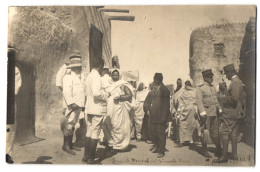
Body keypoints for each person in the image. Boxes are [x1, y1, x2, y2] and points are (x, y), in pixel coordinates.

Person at [213, 64, 244, 163]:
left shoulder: (234, 83)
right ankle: (234, 155)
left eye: (226, 73)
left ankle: (224, 156)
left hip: (230, 113)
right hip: (235, 112)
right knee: (233, 133)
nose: (226, 76)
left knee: (224, 132)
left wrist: (223, 99)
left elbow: (234, 99)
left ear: (231, 72)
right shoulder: (238, 82)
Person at [82, 59, 109, 164]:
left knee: (89, 132)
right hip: (97, 108)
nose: (103, 69)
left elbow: (87, 92)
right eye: (102, 67)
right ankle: (91, 159)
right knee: (95, 133)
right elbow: (97, 93)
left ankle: (86, 156)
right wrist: (106, 95)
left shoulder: (89, 76)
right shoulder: (97, 76)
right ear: (101, 65)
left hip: (89, 108)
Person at [60, 54, 85, 155]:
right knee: (69, 125)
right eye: (78, 67)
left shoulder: (78, 78)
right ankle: (66, 146)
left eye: (80, 67)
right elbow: (66, 92)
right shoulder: (68, 77)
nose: (80, 68)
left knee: (73, 125)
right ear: (74, 67)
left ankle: (70, 144)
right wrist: (71, 104)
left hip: (78, 105)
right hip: (72, 106)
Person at [103, 69, 134, 151]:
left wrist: (120, 97)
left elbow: (129, 95)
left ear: (119, 76)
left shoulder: (122, 84)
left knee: (117, 126)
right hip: (109, 108)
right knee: (108, 124)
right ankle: (111, 143)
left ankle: (119, 145)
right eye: (114, 75)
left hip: (118, 109)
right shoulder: (109, 84)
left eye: (116, 75)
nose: (115, 77)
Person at [196, 69, 222, 158]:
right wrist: (202, 113)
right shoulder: (200, 88)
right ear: (205, 78)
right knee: (204, 132)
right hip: (206, 114)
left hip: (214, 113)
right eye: (210, 77)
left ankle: (219, 149)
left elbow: (216, 100)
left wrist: (219, 109)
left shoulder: (213, 87)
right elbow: (199, 102)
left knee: (215, 132)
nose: (212, 78)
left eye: (212, 77)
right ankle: (204, 150)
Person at [144, 73, 170, 158]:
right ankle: (156, 146)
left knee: (161, 134)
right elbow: (147, 101)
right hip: (153, 115)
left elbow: (167, 105)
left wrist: (164, 117)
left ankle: (161, 150)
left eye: (155, 80)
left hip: (161, 116)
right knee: (153, 132)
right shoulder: (152, 91)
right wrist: (147, 110)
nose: (154, 81)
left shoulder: (165, 90)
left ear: (158, 80)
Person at [6, 44, 22, 164]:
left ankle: (8, 154)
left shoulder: (15, 69)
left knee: (9, 129)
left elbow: (17, 85)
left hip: (9, 101)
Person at [174, 80, 198, 147]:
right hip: (190, 109)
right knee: (188, 124)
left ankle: (186, 141)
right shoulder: (194, 91)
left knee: (186, 124)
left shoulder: (184, 91)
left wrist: (179, 110)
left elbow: (177, 100)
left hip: (187, 109)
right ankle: (187, 141)